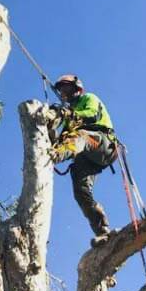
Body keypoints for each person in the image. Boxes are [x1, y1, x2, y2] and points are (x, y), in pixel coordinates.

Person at [48, 74, 117, 243]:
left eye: (66, 87)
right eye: (61, 89)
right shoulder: (69, 115)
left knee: (81, 136)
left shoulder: (88, 98)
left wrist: (68, 114)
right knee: (81, 193)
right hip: (86, 158)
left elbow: (91, 115)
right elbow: (65, 138)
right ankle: (102, 231)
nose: (63, 92)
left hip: (102, 143)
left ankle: (54, 156)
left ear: (76, 88)